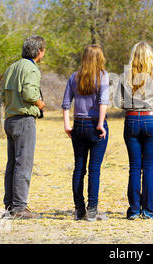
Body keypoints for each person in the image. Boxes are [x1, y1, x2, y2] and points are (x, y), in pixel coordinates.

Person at [115, 41, 153, 220]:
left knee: (134, 167)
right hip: (151, 119)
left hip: (131, 120)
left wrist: (132, 105)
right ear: (150, 57)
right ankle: (149, 210)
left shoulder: (123, 76)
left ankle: (134, 210)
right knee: (149, 167)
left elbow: (118, 102)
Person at [62, 44, 110, 222]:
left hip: (79, 125)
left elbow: (66, 103)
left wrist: (67, 125)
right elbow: (103, 102)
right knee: (94, 169)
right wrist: (100, 124)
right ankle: (92, 210)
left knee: (79, 168)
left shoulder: (74, 77)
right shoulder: (103, 76)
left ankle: (79, 210)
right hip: (95, 125)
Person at [1, 35, 46, 219]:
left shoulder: (12, 67)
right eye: (43, 50)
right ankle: (19, 208)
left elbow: (4, 94)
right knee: (24, 163)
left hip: (10, 118)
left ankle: (10, 204)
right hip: (24, 119)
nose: (43, 53)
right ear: (37, 52)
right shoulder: (31, 68)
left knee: (12, 163)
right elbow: (29, 93)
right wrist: (40, 103)